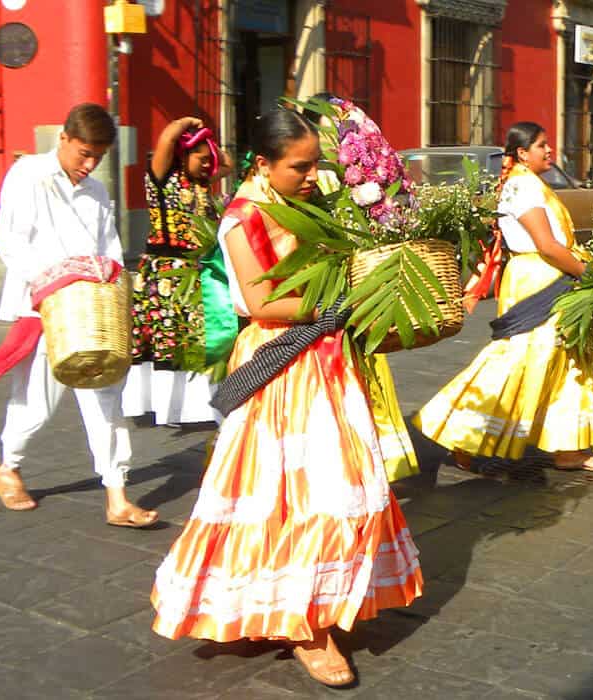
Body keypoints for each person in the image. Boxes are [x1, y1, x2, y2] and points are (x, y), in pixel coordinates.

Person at [151, 109, 423, 687]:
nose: (312, 174)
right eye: (300, 165)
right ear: (263, 164)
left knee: (336, 484)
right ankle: (307, 627)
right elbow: (259, 302)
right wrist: (337, 304)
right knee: (295, 493)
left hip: (325, 358)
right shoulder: (241, 218)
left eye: (317, 162)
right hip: (282, 368)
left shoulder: (305, 203)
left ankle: (307, 602)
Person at [413, 121, 593, 472]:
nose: (549, 150)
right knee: (522, 360)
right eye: (541, 145)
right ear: (522, 153)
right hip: (540, 279)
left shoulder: (527, 184)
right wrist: (588, 273)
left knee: (567, 360)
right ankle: (458, 430)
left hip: (543, 274)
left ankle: (567, 448)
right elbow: (548, 246)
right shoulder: (523, 187)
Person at [0, 103, 158, 527]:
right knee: (37, 402)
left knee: (106, 400)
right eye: (83, 153)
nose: (89, 164)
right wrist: (54, 282)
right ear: (63, 138)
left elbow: (110, 245)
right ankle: (9, 465)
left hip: (93, 309)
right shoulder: (29, 176)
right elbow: (13, 243)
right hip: (45, 308)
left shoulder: (96, 190)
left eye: (97, 156)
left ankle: (117, 494)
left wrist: (111, 279)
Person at [301, 93, 419, 483]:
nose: (338, 134)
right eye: (329, 126)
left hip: (356, 281)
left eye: (342, 126)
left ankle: (373, 459)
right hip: (318, 287)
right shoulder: (306, 178)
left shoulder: (359, 169)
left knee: (368, 365)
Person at [122, 116, 232, 425]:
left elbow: (229, 163)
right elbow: (166, 141)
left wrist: (209, 143)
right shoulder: (161, 179)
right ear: (183, 154)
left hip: (194, 272)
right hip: (164, 273)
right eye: (201, 158)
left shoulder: (202, 184)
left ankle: (193, 408)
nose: (208, 165)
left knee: (193, 338)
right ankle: (160, 406)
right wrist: (186, 123)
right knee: (165, 338)